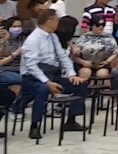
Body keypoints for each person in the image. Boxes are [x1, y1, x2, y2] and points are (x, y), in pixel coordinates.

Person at [19, 9, 88, 140]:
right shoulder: (33, 39)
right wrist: (46, 81)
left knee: (80, 84)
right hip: (33, 77)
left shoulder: (53, 36)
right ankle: (35, 125)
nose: (58, 23)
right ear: (49, 21)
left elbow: (63, 57)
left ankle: (71, 121)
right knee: (43, 89)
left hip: (53, 73)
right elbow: (31, 65)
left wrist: (71, 74)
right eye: (56, 20)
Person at [71, 14, 118, 86]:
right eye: (98, 25)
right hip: (85, 64)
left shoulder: (108, 37)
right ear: (92, 25)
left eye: (103, 24)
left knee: (102, 74)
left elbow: (115, 52)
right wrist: (83, 62)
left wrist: (107, 61)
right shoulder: (84, 37)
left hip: (102, 64)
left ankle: (100, 94)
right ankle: (84, 93)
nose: (101, 27)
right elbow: (74, 55)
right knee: (86, 72)